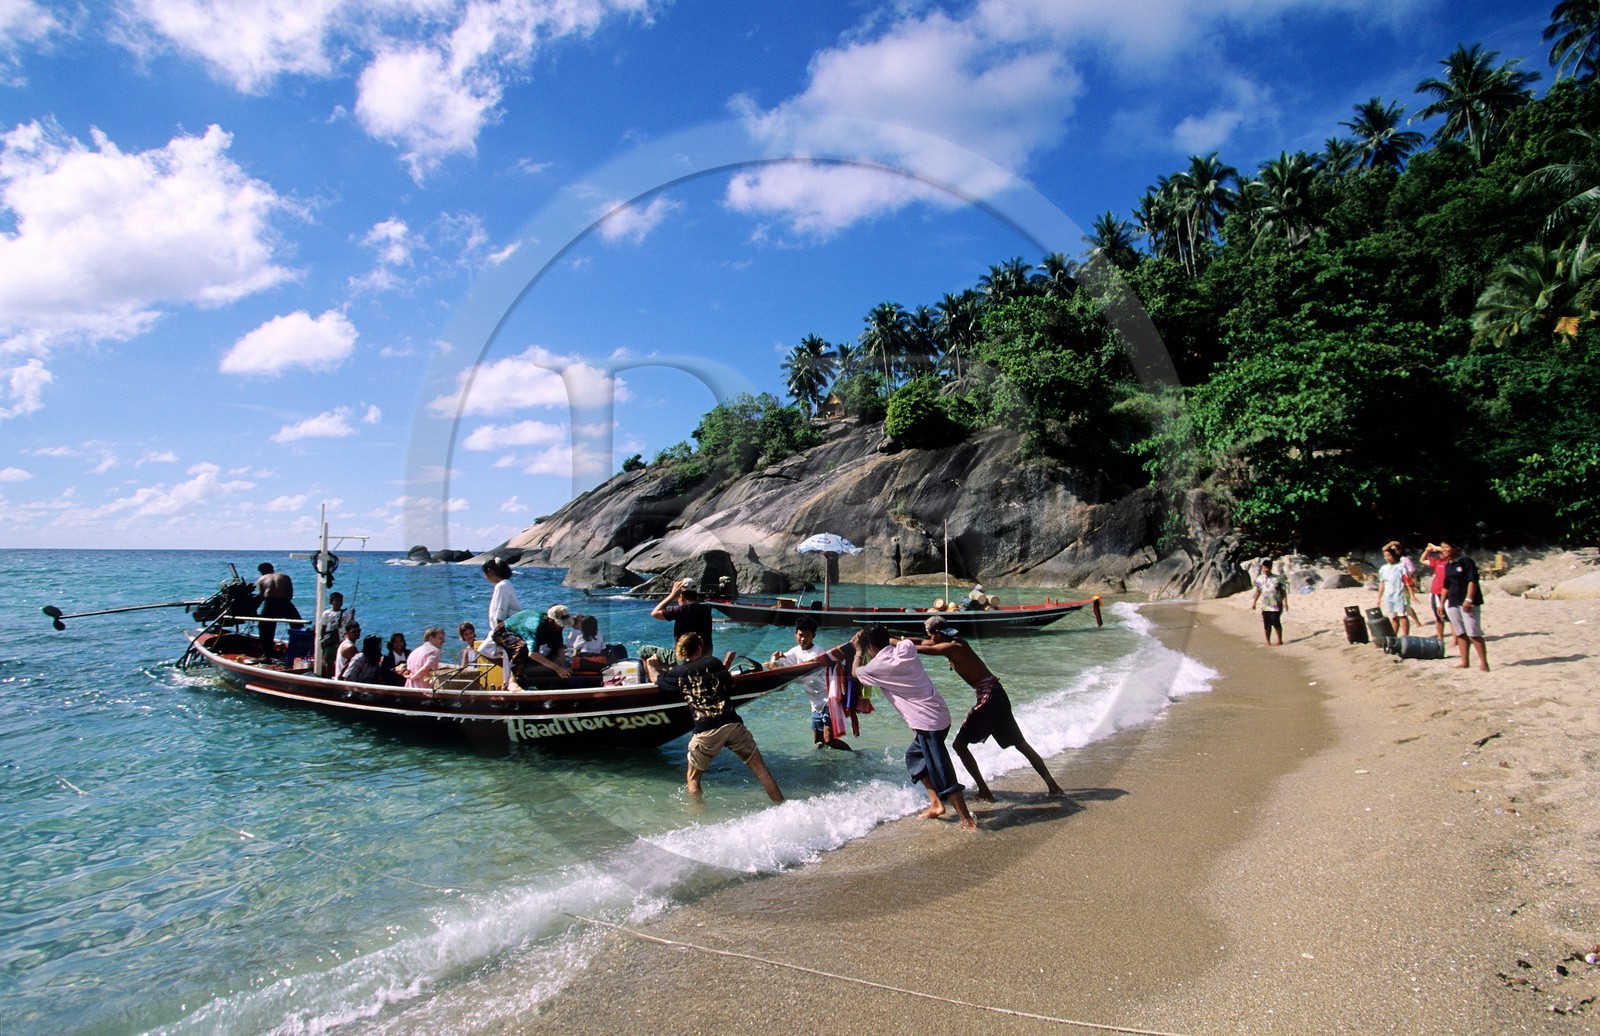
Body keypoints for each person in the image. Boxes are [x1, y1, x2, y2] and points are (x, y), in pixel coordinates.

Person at [842, 624, 977, 830]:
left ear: (870, 646)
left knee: (942, 769)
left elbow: (855, 673)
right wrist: (886, 638)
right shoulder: (905, 650)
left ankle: (966, 819)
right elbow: (902, 642)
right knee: (914, 758)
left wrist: (858, 651)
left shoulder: (876, 667)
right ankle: (936, 803)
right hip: (940, 715)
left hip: (927, 723)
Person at [915, 615, 1063, 800]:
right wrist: (893, 639)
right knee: (1021, 744)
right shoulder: (956, 642)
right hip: (998, 694)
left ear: (937, 632)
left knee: (959, 745)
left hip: (989, 699)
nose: (928, 638)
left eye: (930, 635)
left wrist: (891, 643)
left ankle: (985, 792)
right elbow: (922, 642)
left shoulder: (953, 647)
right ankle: (1053, 786)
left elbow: (921, 648)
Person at [659, 632, 784, 803]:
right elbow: (731, 685)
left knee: (693, 779)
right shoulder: (714, 663)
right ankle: (782, 806)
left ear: (681, 651)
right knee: (761, 770)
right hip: (732, 724)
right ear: (700, 648)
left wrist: (651, 665)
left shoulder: (678, 673)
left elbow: (658, 682)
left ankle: (698, 821)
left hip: (706, 730)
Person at [770, 616, 849, 750]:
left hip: (828, 700)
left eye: (807, 636)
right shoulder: (796, 651)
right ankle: (824, 766)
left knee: (829, 739)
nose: (803, 639)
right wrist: (775, 658)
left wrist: (773, 666)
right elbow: (782, 664)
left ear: (813, 636)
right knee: (818, 741)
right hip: (815, 703)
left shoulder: (817, 653)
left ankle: (855, 754)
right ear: (795, 634)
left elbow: (801, 677)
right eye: (800, 635)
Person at [1441, 538, 1490, 671]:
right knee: (1460, 633)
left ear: (1455, 548)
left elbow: (1472, 581)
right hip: (1453, 601)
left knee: (1474, 633)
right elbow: (1446, 585)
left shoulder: (1465, 561)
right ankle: (1465, 661)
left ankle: (1484, 664)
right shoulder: (1448, 564)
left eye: (1446, 547)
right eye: (1442, 547)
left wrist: (1469, 599)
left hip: (1467, 601)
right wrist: (1441, 604)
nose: (1444, 550)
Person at [651, 578, 714, 657]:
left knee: (644, 650)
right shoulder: (706, 609)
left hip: (684, 657)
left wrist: (672, 595)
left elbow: (654, 613)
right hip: (705, 656)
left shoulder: (680, 610)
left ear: (681, 596)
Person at [254, 562, 300, 657]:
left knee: (265, 628)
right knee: (298, 625)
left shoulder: (261, 579)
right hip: (285, 602)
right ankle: (298, 650)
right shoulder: (285, 577)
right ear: (272, 569)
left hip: (270, 603)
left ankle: (267, 654)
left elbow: (262, 596)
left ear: (261, 572)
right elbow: (290, 593)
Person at [1250, 557, 1288, 646]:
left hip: (1276, 604)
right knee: (1266, 624)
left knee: (1275, 621)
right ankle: (1267, 641)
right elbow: (1258, 591)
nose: (1265, 569)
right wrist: (1254, 602)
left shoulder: (1278, 578)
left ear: (1271, 568)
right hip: (1265, 605)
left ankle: (1279, 640)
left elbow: (1283, 591)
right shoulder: (1260, 579)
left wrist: (1285, 603)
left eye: (1267, 567)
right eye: (1264, 568)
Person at [1420, 543, 1452, 640]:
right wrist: (1428, 550)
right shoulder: (1437, 562)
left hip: (1448, 591)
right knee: (1438, 617)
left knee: (1451, 617)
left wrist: (1435, 547)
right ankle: (1440, 637)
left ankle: (1455, 640)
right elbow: (1422, 560)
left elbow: (1448, 552)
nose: (1441, 554)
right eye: (1439, 553)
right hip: (1436, 592)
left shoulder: (1450, 561)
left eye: (1442, 552)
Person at [1377, 544, 1411, 637]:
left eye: (1389, 556)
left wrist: (1412, 594)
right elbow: (1382, 583)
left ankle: (1406, 635)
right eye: (1385, 556)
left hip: (1400, 593)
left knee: (1402, 615)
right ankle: (1394, 635)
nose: (1387, 558)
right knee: (1393, 616)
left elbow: (1407, 581)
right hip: (1389, 594)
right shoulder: (1383, 568)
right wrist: (1379, 597)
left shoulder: (1401, 567)